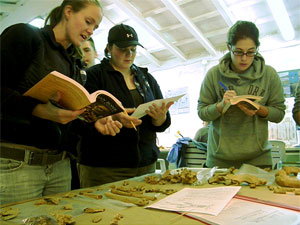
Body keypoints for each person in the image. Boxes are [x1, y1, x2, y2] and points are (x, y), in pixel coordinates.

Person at [0, 0, 127, 205]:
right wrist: (39, 110)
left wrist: (94, 121)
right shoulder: (25, 36)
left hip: (59, 165)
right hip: (18, 164)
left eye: (95, 27)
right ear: (68, 12)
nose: (91, 30)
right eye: (88, 21)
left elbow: (69, 118)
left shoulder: (73, 64)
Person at [77, 23, 173, 188]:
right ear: (109, 48)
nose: (129, 54)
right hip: (105, 167)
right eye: (123, 49)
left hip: (145, 164)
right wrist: (111, 118)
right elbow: (81, 118)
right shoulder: (94, 76)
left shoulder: (146, 78)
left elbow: (161, 122)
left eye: (133, 49)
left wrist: (160, 117)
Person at [198, 20, 286, 169]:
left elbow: (279, 114)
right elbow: (202, 113)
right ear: (229, 47)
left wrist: (260, 110)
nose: (244, 58)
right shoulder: (214, 75)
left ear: (257, 48)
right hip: (219, 160)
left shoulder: (269, 74)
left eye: (250, 52)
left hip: (258, 159)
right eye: (238, 52)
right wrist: (221, 106)